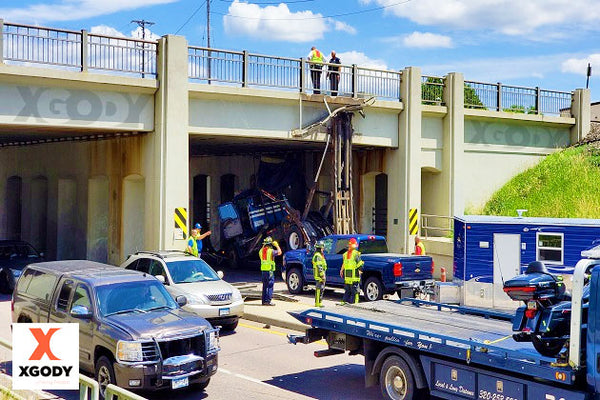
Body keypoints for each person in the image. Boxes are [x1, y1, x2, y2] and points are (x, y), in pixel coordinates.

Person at [259, 236, 282, 306]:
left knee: (264, 286)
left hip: (263, 271)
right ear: (270, 245)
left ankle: (263, 301)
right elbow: (279, 252)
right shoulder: (271, 251)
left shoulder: (261, 251)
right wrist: (277, 245)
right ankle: (268, 301)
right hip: (270, 271)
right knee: (270, 286)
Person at [340, 238, 364, 304]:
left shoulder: (345, 254)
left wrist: (341, 270)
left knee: (347, 291)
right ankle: (355, 304)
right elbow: (360, 265)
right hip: (354, 277)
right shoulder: (356, 254)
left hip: (347, 277)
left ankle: (344, 302)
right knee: (356, 292)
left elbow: (344, 264)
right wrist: (361, 271)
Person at [312, 241, 327, 307]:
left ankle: (319, 302)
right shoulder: (318, 256)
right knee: (319, 289)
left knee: (321, 289)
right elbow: (319, 266)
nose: (323, 249)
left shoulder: (319, 255)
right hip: (319, 276)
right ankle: (317, 303)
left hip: (320, 275)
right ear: (320, 248)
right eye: (322, 248)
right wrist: (322, 275)